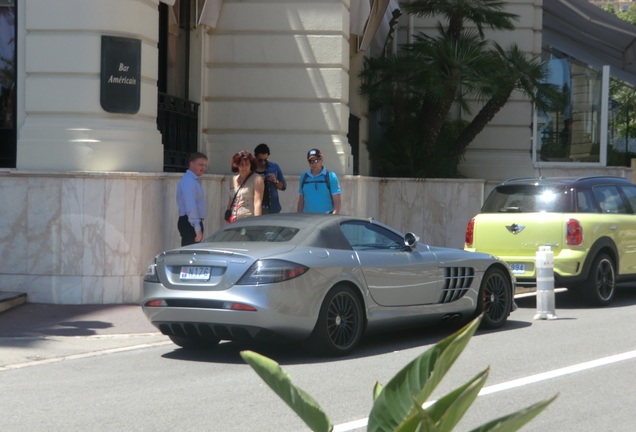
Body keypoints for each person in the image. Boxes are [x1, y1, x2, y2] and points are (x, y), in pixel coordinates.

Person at [176, 152, 208, 246]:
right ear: (191, 164)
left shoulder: (193, 180)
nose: (203, 168)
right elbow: (191, 206)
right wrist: (197, 227)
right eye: (200, 164)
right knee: (190, 255)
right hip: (190, 223)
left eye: (205, 165)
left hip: (192, 222)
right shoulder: (189, 181)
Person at [297, 148, 342, 214]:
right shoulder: (304, 177)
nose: (313, 164)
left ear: (321, 160)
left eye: (316, 161)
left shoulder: (331, 176)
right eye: (310, 161)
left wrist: (333, 217)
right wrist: (299, 217)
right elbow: (301, 200)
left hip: (325, 219)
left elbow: (337, 201)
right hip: (307, 219)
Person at [226, 150, 264, 222]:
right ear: (237, 165)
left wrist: (256, 222)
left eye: (247, 164)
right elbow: (231, 199)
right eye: (241, 164)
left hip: (248, 219)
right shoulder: (233, 179)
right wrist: (228, 214)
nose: (244, 167)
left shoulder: (257, 179)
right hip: (233, 219)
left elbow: (257, 202)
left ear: (251, 165)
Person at [254, 143, 287, 214]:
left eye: (265, 160)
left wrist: (275, 181)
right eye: (260, 160)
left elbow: (283, 187)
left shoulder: (274, 167)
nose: (263, 162)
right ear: (255, 157)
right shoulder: (251, 169)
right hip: (256, 208)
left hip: (272, 208)